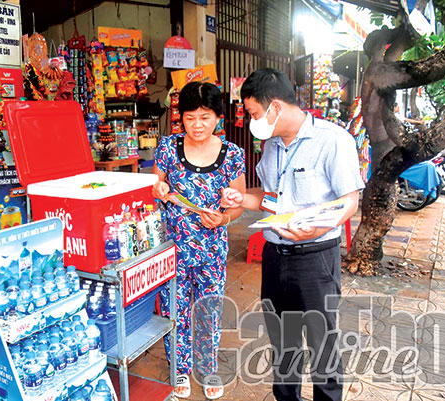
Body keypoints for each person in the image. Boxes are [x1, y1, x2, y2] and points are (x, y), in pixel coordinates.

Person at [221, 68, 364, 401]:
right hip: (275, 259)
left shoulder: (333, 140)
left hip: (315, 260)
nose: (253, 120)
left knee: (321, 345)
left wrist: (319, 227)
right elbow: (272, 197)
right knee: (283, 346)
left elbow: (350, 201)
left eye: (254, 113)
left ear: (275, 107)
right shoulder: (272, 145)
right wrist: (243, 198)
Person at [152, 82, 246, 399]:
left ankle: (206, 369)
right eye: (190, 118)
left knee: (208, 311)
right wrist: (158, 189)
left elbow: (237, 201)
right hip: (173, 249)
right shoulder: (167, 148)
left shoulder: (232, 155)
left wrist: (225, 218)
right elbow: (156, 185)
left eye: (205, 117)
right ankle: (179, 369)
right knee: (174, 311)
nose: (197, 126)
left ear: (218, 116)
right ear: (181, 118)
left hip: (211, 249)